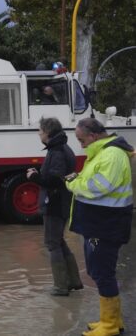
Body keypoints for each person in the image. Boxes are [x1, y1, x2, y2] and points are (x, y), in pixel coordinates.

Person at [65, 118, 133, 336]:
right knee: (99, 270)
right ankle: (112, 319)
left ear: (93, 136)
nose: (80, 144)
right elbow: (95, 181)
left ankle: (110, 325)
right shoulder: (103, 153)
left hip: (104, 228)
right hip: (98, 227)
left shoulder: (111, 155)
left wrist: (72, 183)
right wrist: (79, 178)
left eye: (81, 140)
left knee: (102, 272)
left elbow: (98, 187)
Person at [26, 117, 83, 296]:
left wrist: (35, 177)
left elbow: (54, 180)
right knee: (59, 241)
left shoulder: (57, 151)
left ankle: (60, 286)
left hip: (55, 203)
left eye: (40, 131)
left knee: (52, 243)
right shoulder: (62, 148)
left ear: (48, 133)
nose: (38, 134)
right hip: (62, 201)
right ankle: (73, 281)